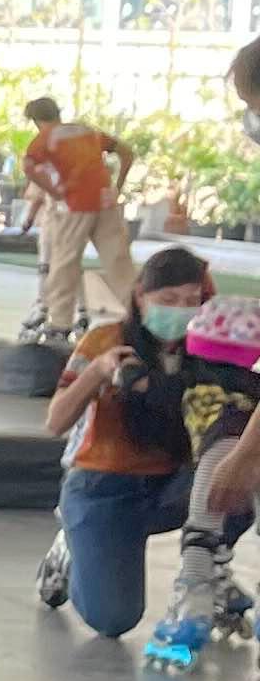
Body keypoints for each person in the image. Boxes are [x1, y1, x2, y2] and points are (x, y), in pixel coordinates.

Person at [41, 241, 239, 644]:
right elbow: (56, 421)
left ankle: (209, 568)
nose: (181, 310)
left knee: (236, 472)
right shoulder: (105, 339)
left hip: (172, 485)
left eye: (192, 301)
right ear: (140, 296)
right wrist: (98, 372)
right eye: (168, 300)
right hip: (104, 486)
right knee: (114, 619)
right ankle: (71, 546)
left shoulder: (208, 348)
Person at [20, 97, 136, 343]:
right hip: (105, 203)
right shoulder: (87, 132)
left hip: (74, 206)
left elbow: (28, 166)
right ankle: (138, 315)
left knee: (64, 263)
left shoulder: (46, 138)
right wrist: (118, 187)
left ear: (36, 120)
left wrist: (53, 192)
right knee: (119, 263)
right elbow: (127, 152)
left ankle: (60, 324)